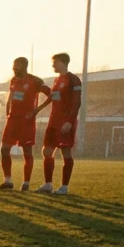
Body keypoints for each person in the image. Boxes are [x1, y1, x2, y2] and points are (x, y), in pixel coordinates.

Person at [0, 56, 49, 191]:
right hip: (12, 120)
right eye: (13, 65)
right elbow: (12, 95)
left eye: (17, 65)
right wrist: (8, 109)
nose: (14, 68)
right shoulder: (13, 80)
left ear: (24, 66)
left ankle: (26, 183)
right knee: (4, 149)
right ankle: (7, 181)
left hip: (26, 121)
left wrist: (36, 110)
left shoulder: (35, 81)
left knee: (27, 151)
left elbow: (52, 95)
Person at [32, 52, 81, 194]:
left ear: (63, 62)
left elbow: (77, 102)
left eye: (55, 62)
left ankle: (64, 187)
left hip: (65, 122)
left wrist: (69, 121)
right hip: (53, 122)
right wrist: (38, 109)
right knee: (47, 151)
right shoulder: (56, 80)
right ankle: (48, 184)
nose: (53, 65)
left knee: (65, 152)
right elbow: (52, 98)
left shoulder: (73, 80)